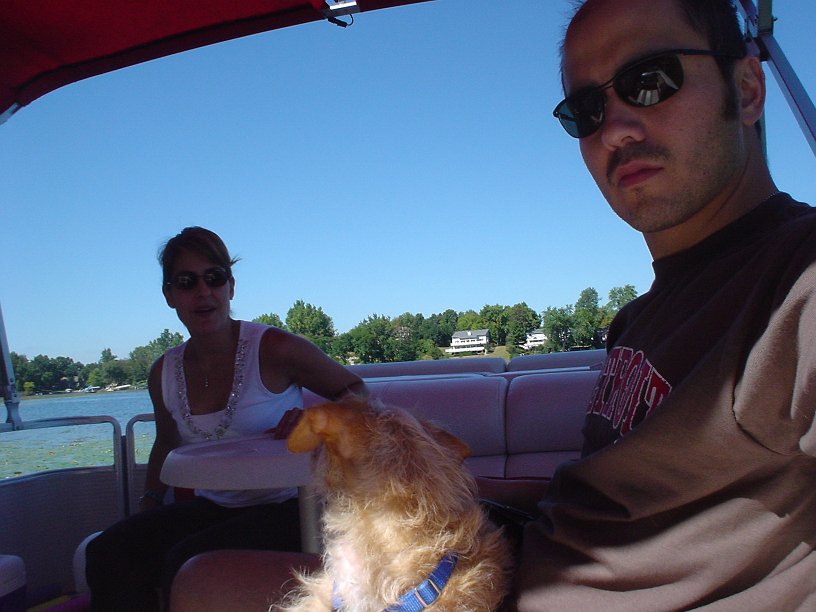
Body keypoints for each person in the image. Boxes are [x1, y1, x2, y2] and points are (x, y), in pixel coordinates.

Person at [171, 0, 816, 609]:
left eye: (650, 80)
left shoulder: (795, 279)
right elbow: (603, 495)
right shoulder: (642, 317)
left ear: (747, 89)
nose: (615, 128)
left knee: (204, 586)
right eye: (587, 109)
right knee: (197, 571)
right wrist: (434, 485)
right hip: (515, 560)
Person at [84, 226, 366, 612]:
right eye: (187, 282)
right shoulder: (162, 372)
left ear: (230, 287)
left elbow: (356, 391)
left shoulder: (274, 348)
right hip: (216, 507)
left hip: (294, 507)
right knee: (108, 551)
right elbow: (166, 441)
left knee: (185, 563)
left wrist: (317, 418)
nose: (203, 291)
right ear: (169, 295)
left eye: (214, 277)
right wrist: (151, 502)